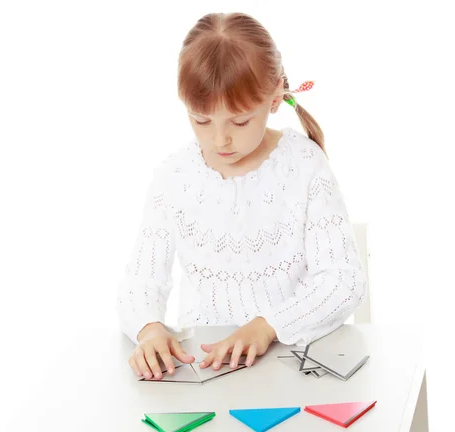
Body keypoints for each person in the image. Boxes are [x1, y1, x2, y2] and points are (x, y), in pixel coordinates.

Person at [116, 12, 367, 381]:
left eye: (239, 121)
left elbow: (343, 281)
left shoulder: (303, 165)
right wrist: (149, 329)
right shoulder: (174, 178)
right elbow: (140, 281)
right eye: (201, 120)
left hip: (292, 366)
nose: (220, 140)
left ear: (275, 98)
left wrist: (268, 326)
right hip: (204, 372)